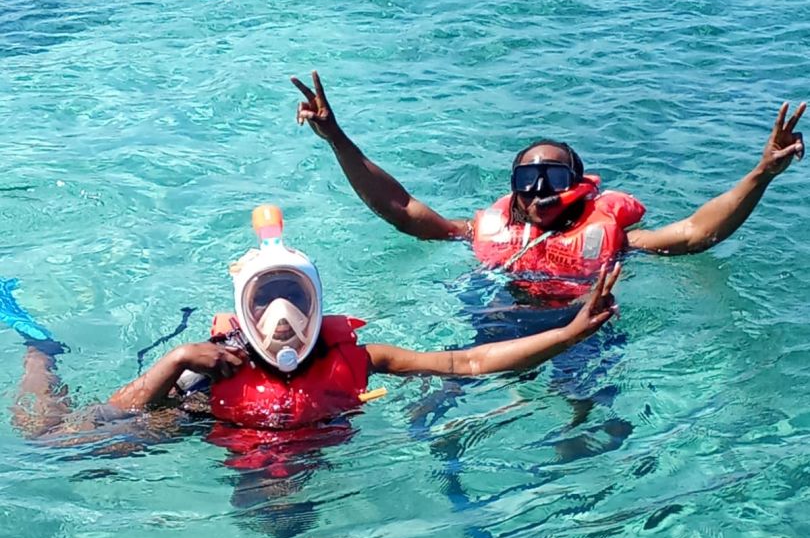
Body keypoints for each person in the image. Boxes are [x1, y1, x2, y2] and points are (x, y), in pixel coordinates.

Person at [13, 206, 621, 445]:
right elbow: (114, 414)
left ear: (318, 301)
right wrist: (174, 363)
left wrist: (568, 334)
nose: (282, 319)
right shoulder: (217, 365)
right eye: (265, 302)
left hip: (299, 452)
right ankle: (42, 350)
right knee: (50, 442)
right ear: (242, 310)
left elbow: (466, 362)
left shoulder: (362, 358)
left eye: (295, 299)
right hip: (212, 425)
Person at [291, 72, 805, 301]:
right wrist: (336, 137)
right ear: (513, 189)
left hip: (579, 330)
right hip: (501, 323)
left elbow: (696, 233)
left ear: (578, 185)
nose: (540, 190)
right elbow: (400, 208)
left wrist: (762, 173)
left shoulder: (615, 241)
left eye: (554, 177)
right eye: (527, 179)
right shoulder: (480, 231)